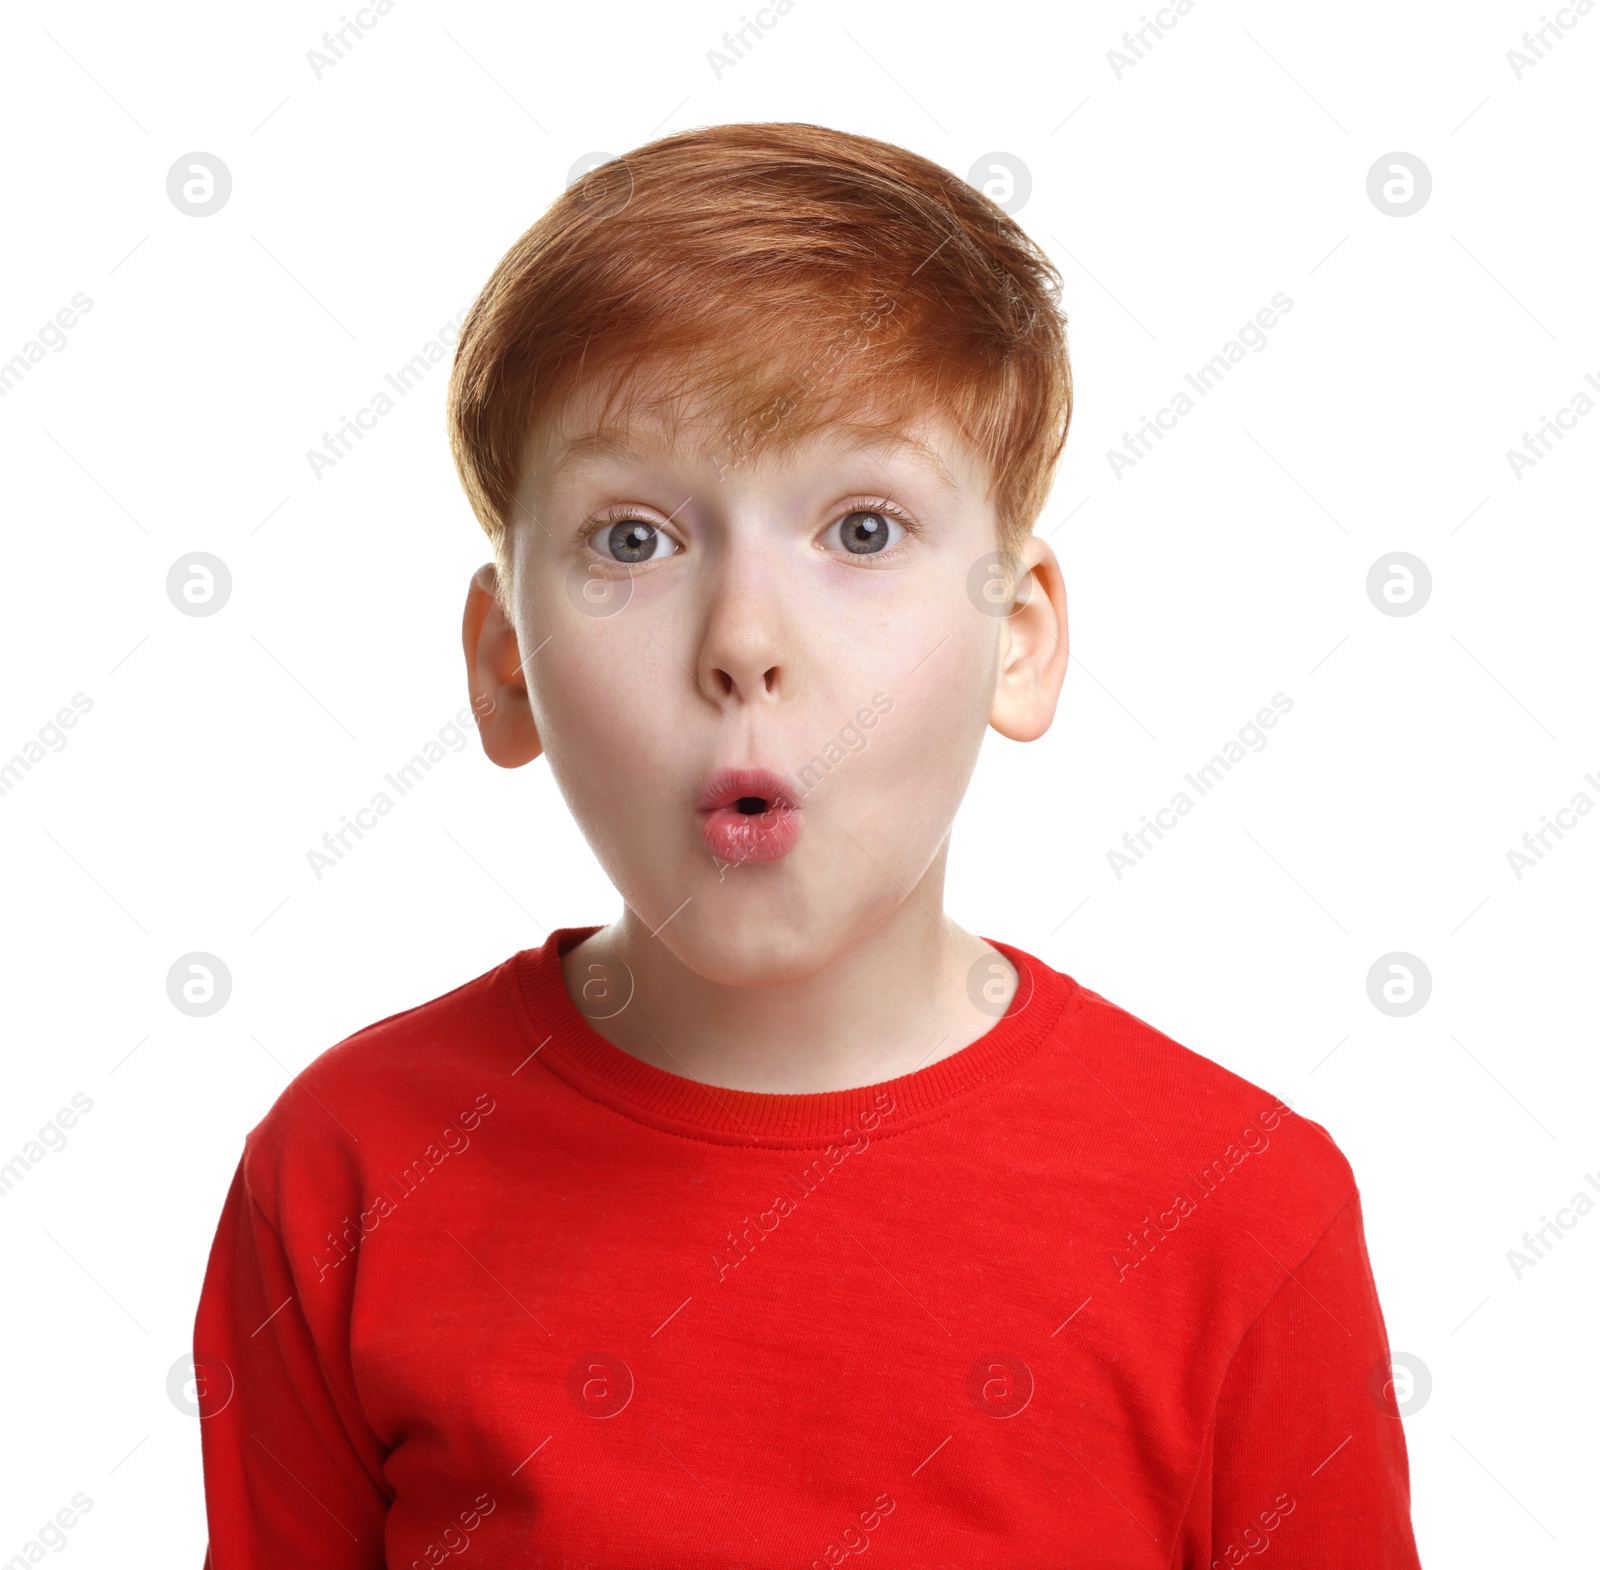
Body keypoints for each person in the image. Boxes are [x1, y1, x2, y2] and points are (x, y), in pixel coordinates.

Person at [194, 121, 1422, 1568]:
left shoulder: (1244, 1214)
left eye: (861, 526)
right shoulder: (344, 1175)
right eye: (635, 540)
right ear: (505, 660)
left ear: (1016, 640)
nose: (745, 643)